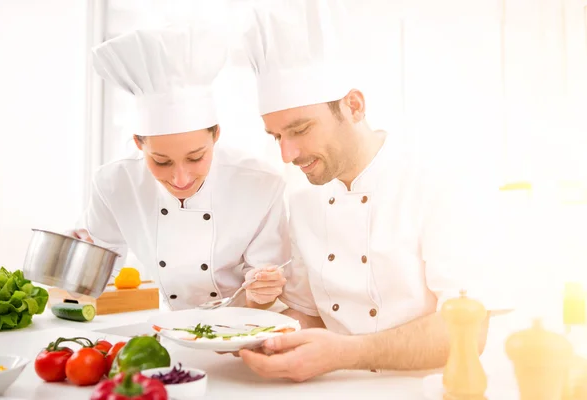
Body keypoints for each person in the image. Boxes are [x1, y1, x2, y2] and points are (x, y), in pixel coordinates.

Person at [236, 0, 511, 381]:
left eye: (299, 130)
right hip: (336, 387)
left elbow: (468, 329)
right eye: (277, 136)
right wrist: (260, 311)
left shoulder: (443, 178)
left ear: (354, 106)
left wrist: (344, 353)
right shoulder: (302, 200)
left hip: (434, 387)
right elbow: (310, 318)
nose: (287, 154)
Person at [71, 26, 290, 311]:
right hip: (167, 326)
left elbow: (265, 289)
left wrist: (264, 287)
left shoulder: (261, 184)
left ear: (216, 136)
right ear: (138, 143)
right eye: (161, 161)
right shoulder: (114, 183)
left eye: (196, 157)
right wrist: (79, 256)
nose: (180, 178)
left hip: (245, 325)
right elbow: (95, 277)